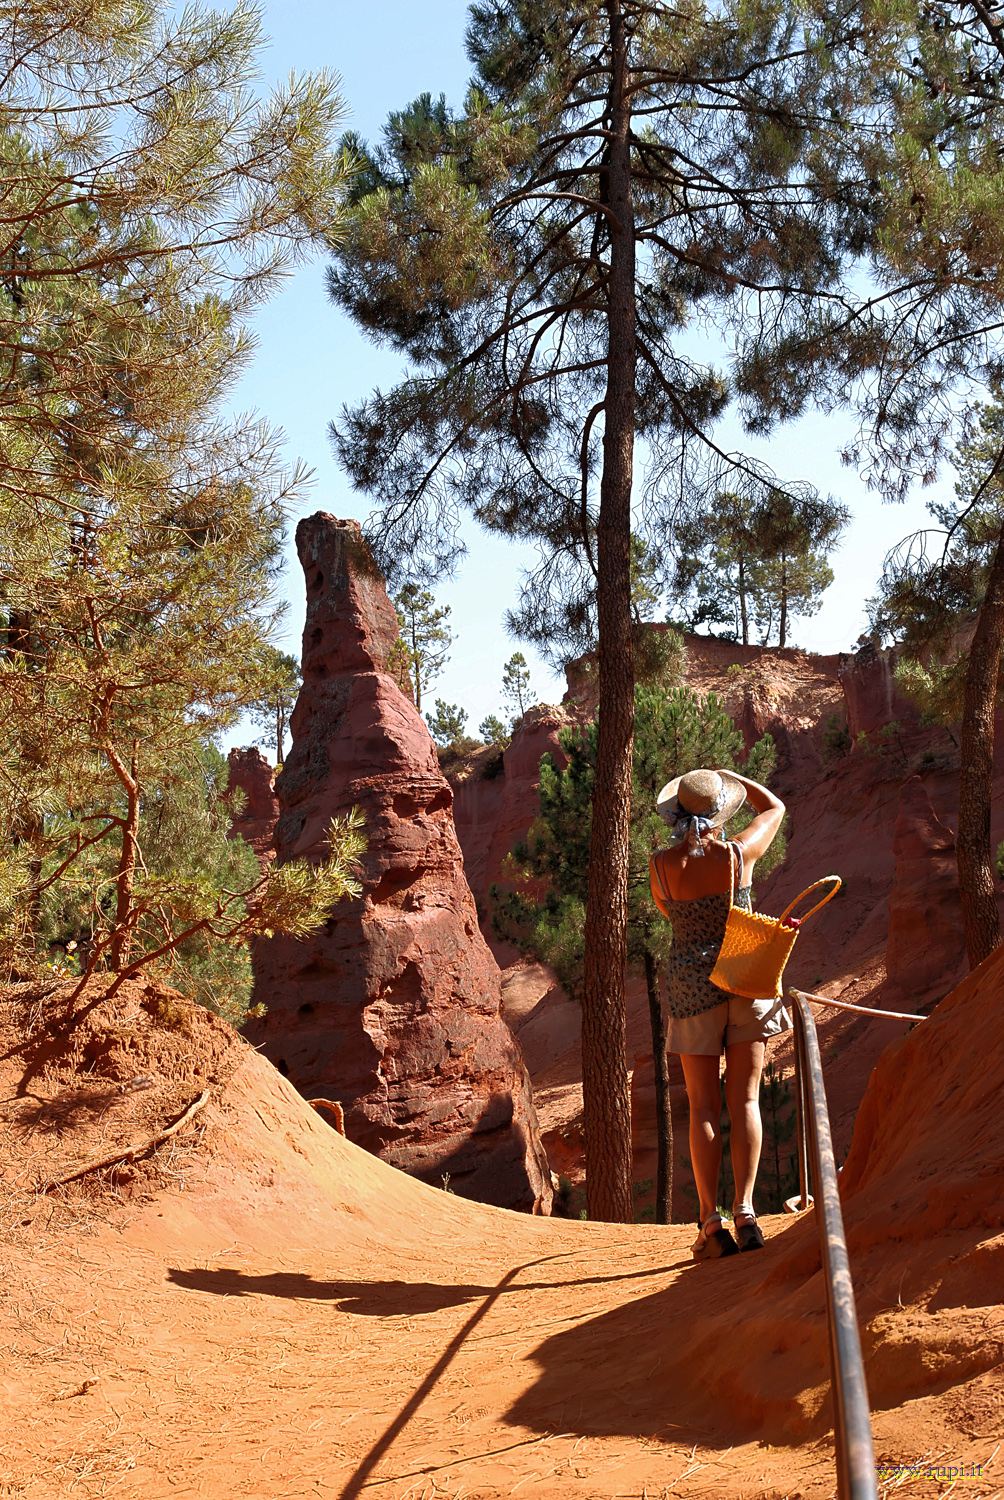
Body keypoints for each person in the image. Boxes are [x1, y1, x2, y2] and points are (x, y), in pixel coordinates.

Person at [649, 767, 788, 1260]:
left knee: (703, 1108)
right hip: (742, 979)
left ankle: (711, 1221)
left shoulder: (661, 867)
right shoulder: (737, 855)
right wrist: (735, 778)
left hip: (692, 991)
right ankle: (746, 1213)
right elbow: (775, 808)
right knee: (745, 1100)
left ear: (676, 812)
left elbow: (670, 915)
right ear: (719, 810)